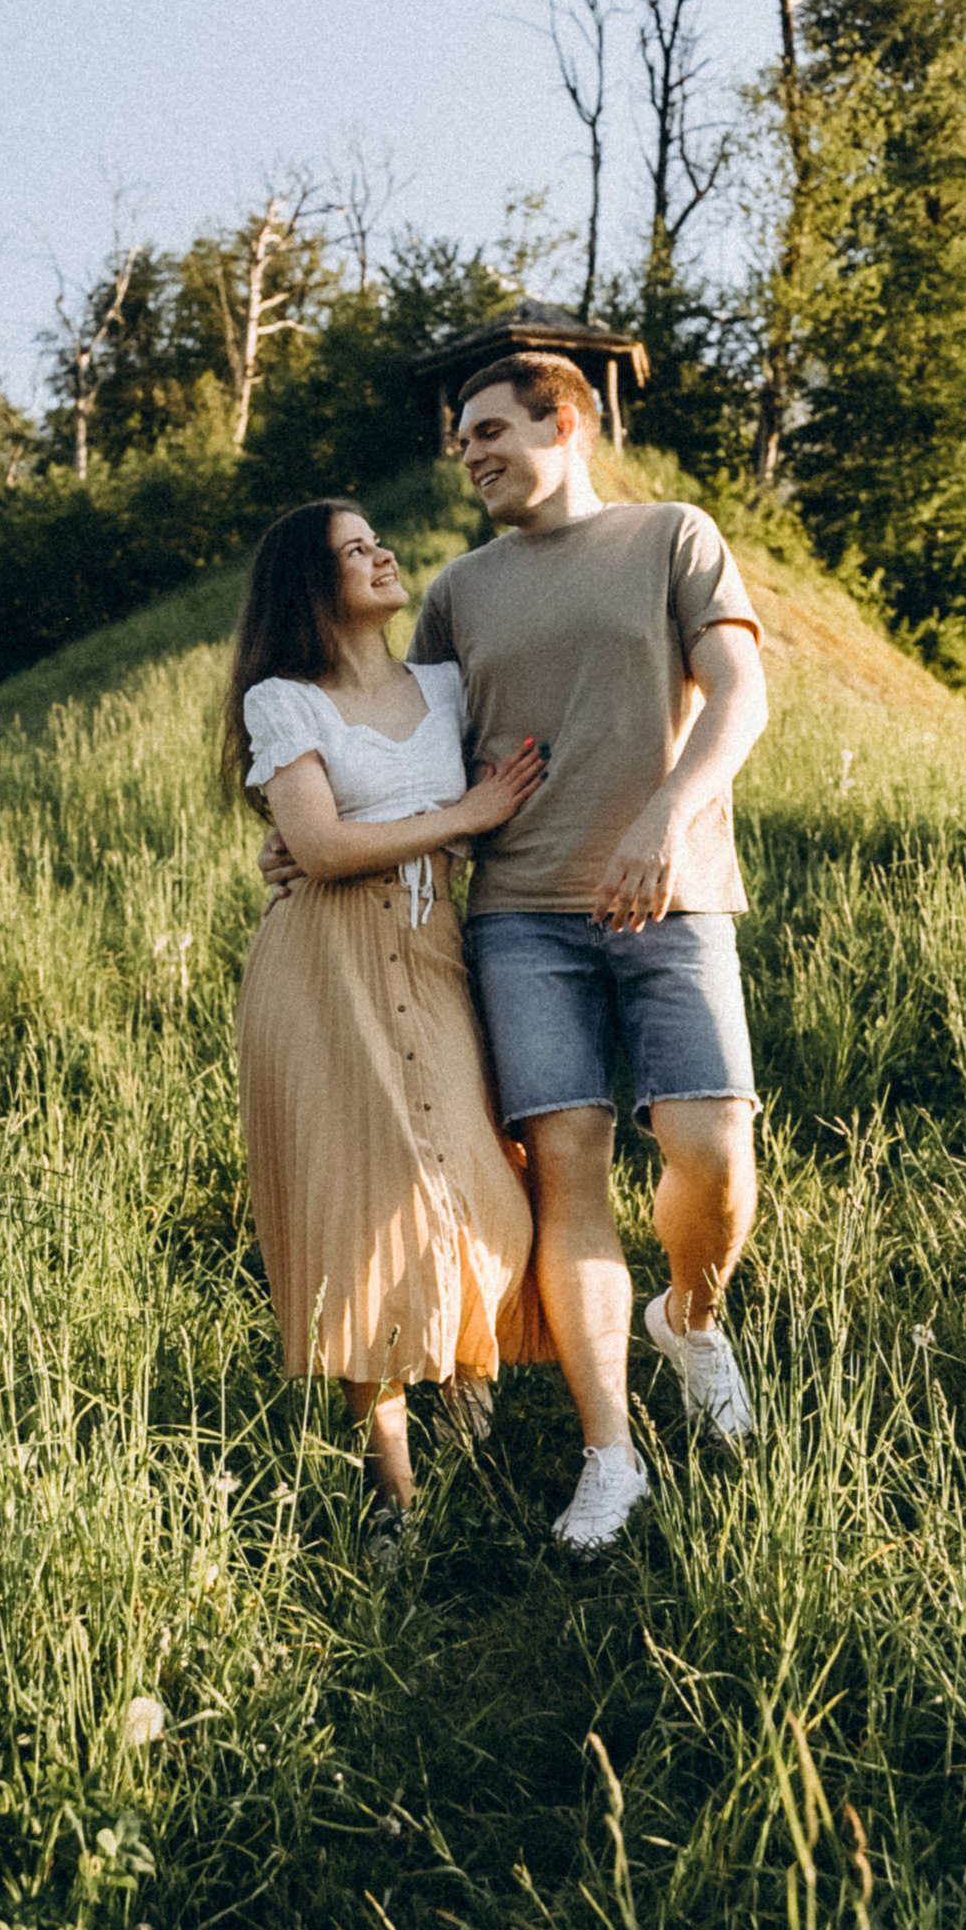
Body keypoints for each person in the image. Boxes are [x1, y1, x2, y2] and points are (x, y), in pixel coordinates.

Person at [404, 348, 769, 1551]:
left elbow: (737, 695)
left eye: (491, 431)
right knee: (569, 1168)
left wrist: (666, 820)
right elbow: (411, 754)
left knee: (710, 1147)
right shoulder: (457, 590)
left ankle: (691, 1319)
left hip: (672, 894)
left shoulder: (671, 536)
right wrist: (309, 835)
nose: (471, 455)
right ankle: (608, 1455)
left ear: (567, 422)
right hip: (520, 917)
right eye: (462, 442)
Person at [225, 497, 551, 1536]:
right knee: (362, 1214)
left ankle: (465, 1379)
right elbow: (316, 850)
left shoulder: (447, 688)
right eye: (352, 549)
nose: (381, 553)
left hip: (434, 954)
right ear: (310, 587)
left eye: (379, 538)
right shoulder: (284, 702)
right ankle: (393, 1492)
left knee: (483, 1181)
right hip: (324, 970)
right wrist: (462, 817)